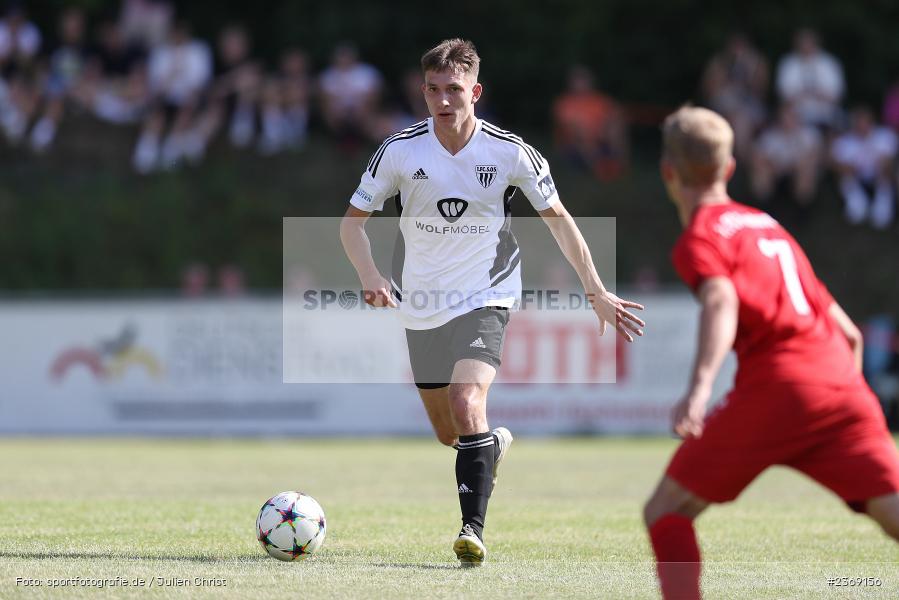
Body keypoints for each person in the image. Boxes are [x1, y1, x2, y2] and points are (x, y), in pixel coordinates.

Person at [340, 38, 644, 567]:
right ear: (423, 92)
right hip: (421, 301)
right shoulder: (400, 151)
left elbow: (560, 222)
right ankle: (491, 447)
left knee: (466, 401)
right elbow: (351, 225)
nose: (443, 100)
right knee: (449, 432)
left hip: (488, 292)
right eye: (433, 90)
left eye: (454, 90)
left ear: (475, 92)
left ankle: (471, 532)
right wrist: (369, 275)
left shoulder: (509, 152)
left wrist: (595, 289)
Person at [644, 106, 899, 599]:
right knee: (892, 514)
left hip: (781, 384)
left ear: (668, 172)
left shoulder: (702, 235)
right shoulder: (768, 225)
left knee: (665, 511)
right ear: (730, 168)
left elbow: (721, 300)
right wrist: (842, 407)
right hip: (841, 384)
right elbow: (850, 335)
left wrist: (699, 389)